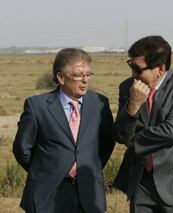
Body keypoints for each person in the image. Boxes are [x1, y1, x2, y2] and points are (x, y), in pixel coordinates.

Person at [13, 48, 115, 213]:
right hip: (46, 195)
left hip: (89, 195)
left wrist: (88, 167)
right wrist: (45, 170)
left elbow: (106, 143)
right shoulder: (37, 106)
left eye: (88, 75)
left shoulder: (99, 103)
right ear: (60, 77)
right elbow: (22, 148)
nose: (85, 81)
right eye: (78, 75)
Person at [112, 35, 173, 212]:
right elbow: (121, 135)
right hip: (141, 181)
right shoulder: (128, 88)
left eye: (138, 69)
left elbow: (172, 132)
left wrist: (133, 141)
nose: (133, 74)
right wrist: (133, 105)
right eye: (131, 66)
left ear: (160, 68)